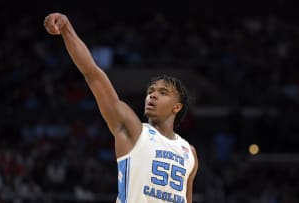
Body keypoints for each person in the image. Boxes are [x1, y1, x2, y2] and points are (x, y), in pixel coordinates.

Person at [44, 13, 198, 203]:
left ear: (177, 107)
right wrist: (67, 29)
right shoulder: (133, 129)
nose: (153, 95)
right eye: (151, 91)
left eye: (163, 92)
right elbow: (92, 73)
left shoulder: (189, 152)